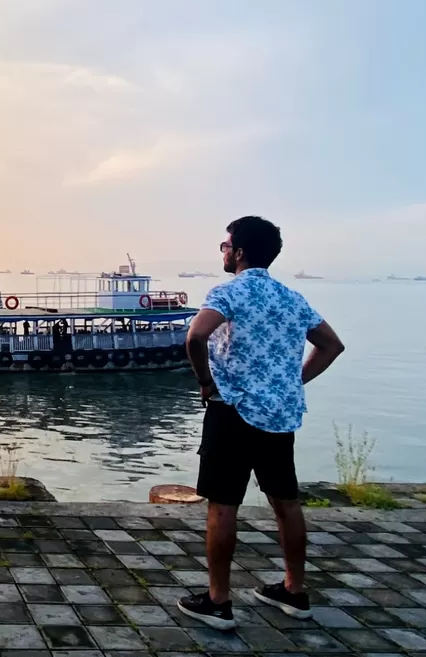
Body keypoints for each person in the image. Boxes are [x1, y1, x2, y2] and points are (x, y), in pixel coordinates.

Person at [178, 216, 345, 630]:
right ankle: (294, 590)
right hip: (278, 415)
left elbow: (195, 337)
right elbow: (332, 345)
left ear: (238, 252)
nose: (222, 250)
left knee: (223, 506)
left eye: (225, 245)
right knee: (285, 502)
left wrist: (205, 382)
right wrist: (292, 381)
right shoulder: (292, 298)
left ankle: (218, 601)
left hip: (230, 410)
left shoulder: (229, 292)